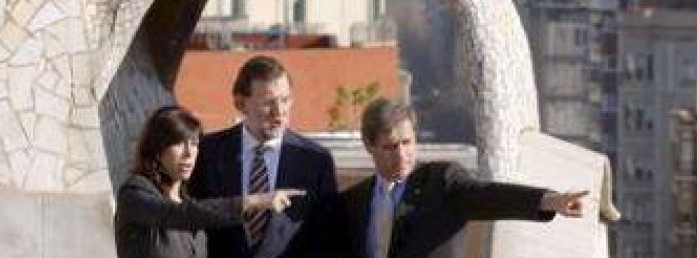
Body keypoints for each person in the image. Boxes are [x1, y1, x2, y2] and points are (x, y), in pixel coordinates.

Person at [338, 98, 588, 258]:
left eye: (407, 143)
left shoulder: (441, 182)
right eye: (391, 147)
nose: (402, 154)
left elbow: (488, 195)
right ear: (370, 146)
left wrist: (548, 200)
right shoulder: (353, 202)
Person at [190, 55, 340, 258]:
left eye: (285, 100)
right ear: (240, 104)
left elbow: (326, 240)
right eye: (268, 103)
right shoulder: (208, 152)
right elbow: (191, 218)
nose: (279, 112)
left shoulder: (315, 161)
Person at [114, 105, 306, 258]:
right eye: (179, 143)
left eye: (195, 143)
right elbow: (176, 214)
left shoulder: (189, 203)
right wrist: (254, 201)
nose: (189, 153)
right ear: (156, 148)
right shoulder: (135, 193)